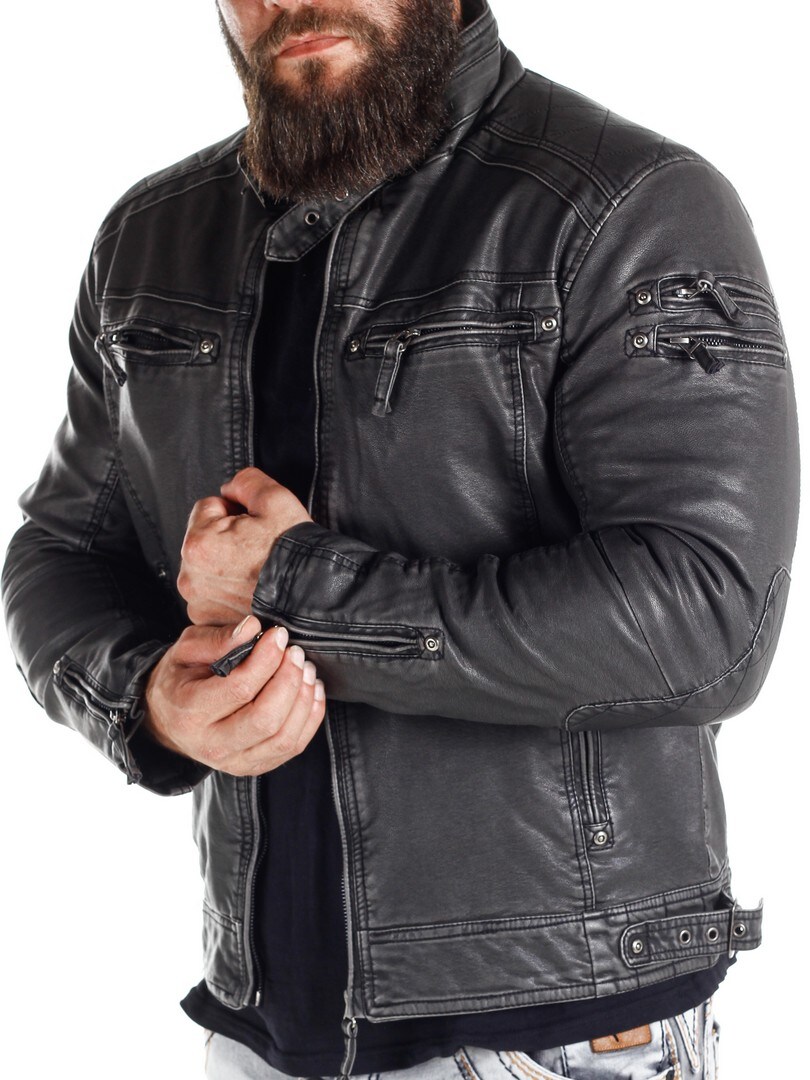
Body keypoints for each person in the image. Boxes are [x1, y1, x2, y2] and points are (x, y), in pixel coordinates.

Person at [2, 0, 799, 1077]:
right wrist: (147, 698)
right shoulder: (149, 240)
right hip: (261, 1025)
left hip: (557, 1032)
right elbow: (58, 553)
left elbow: (708, 622)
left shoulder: (628, 203)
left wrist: (293, 587)